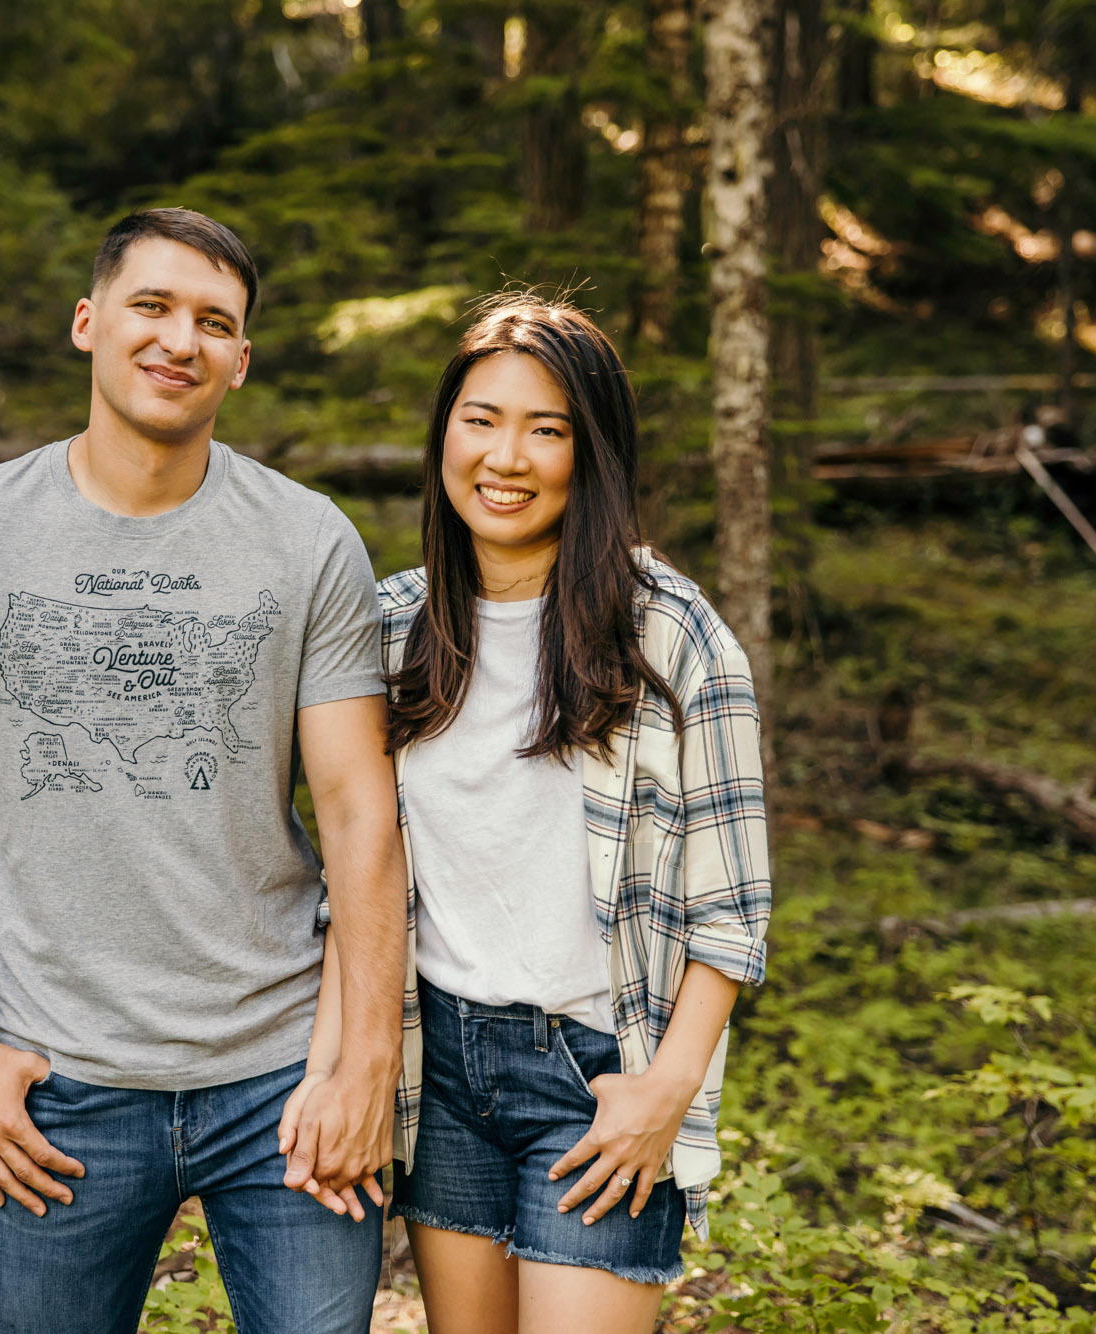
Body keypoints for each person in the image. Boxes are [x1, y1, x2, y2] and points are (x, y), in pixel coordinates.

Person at [0, 207, 407, 1334]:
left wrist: (362, 1063)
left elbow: (360, 810)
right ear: (88, 322)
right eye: (151, 306)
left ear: (242, 360)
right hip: (59, 1087)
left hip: (279, 1079)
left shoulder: (307, 540)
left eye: (214, 321)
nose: (180, 339)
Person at [299, 293, 772, 1333]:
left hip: (595, 1071)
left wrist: (667, 1089)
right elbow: (351, 867)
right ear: (441, 437)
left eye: (545, 428)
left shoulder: (671, 635)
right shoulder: (388, 632)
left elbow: (732, 909)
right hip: (443, 1067)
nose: (504, 456)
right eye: (480, 419)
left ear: (589, 451)